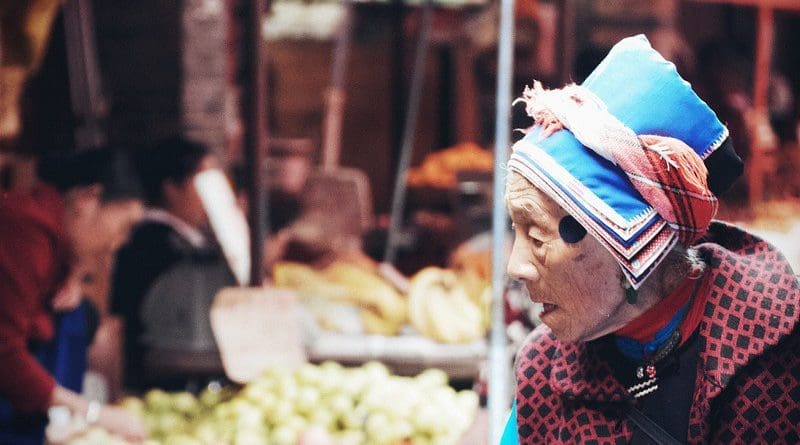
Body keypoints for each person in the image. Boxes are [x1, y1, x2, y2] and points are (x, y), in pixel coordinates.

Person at [501, 35, 799, 444]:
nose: (515, 265)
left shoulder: (769, 361)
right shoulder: (543, 372)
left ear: (630, 243)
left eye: (537, 235)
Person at [0, 148, 146, 443]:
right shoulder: (26, 227)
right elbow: (4, 349)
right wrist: (93, 413)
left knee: (79, 314)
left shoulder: (57, 239)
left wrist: (73, 273)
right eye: (123, 228)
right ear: (87, 199)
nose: (116, 244)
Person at [111, 136, 236, 392]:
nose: (217, 194)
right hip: (161, 381)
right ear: (171, 188)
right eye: (205, 182)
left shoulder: (188, 240)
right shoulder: (155, 242)